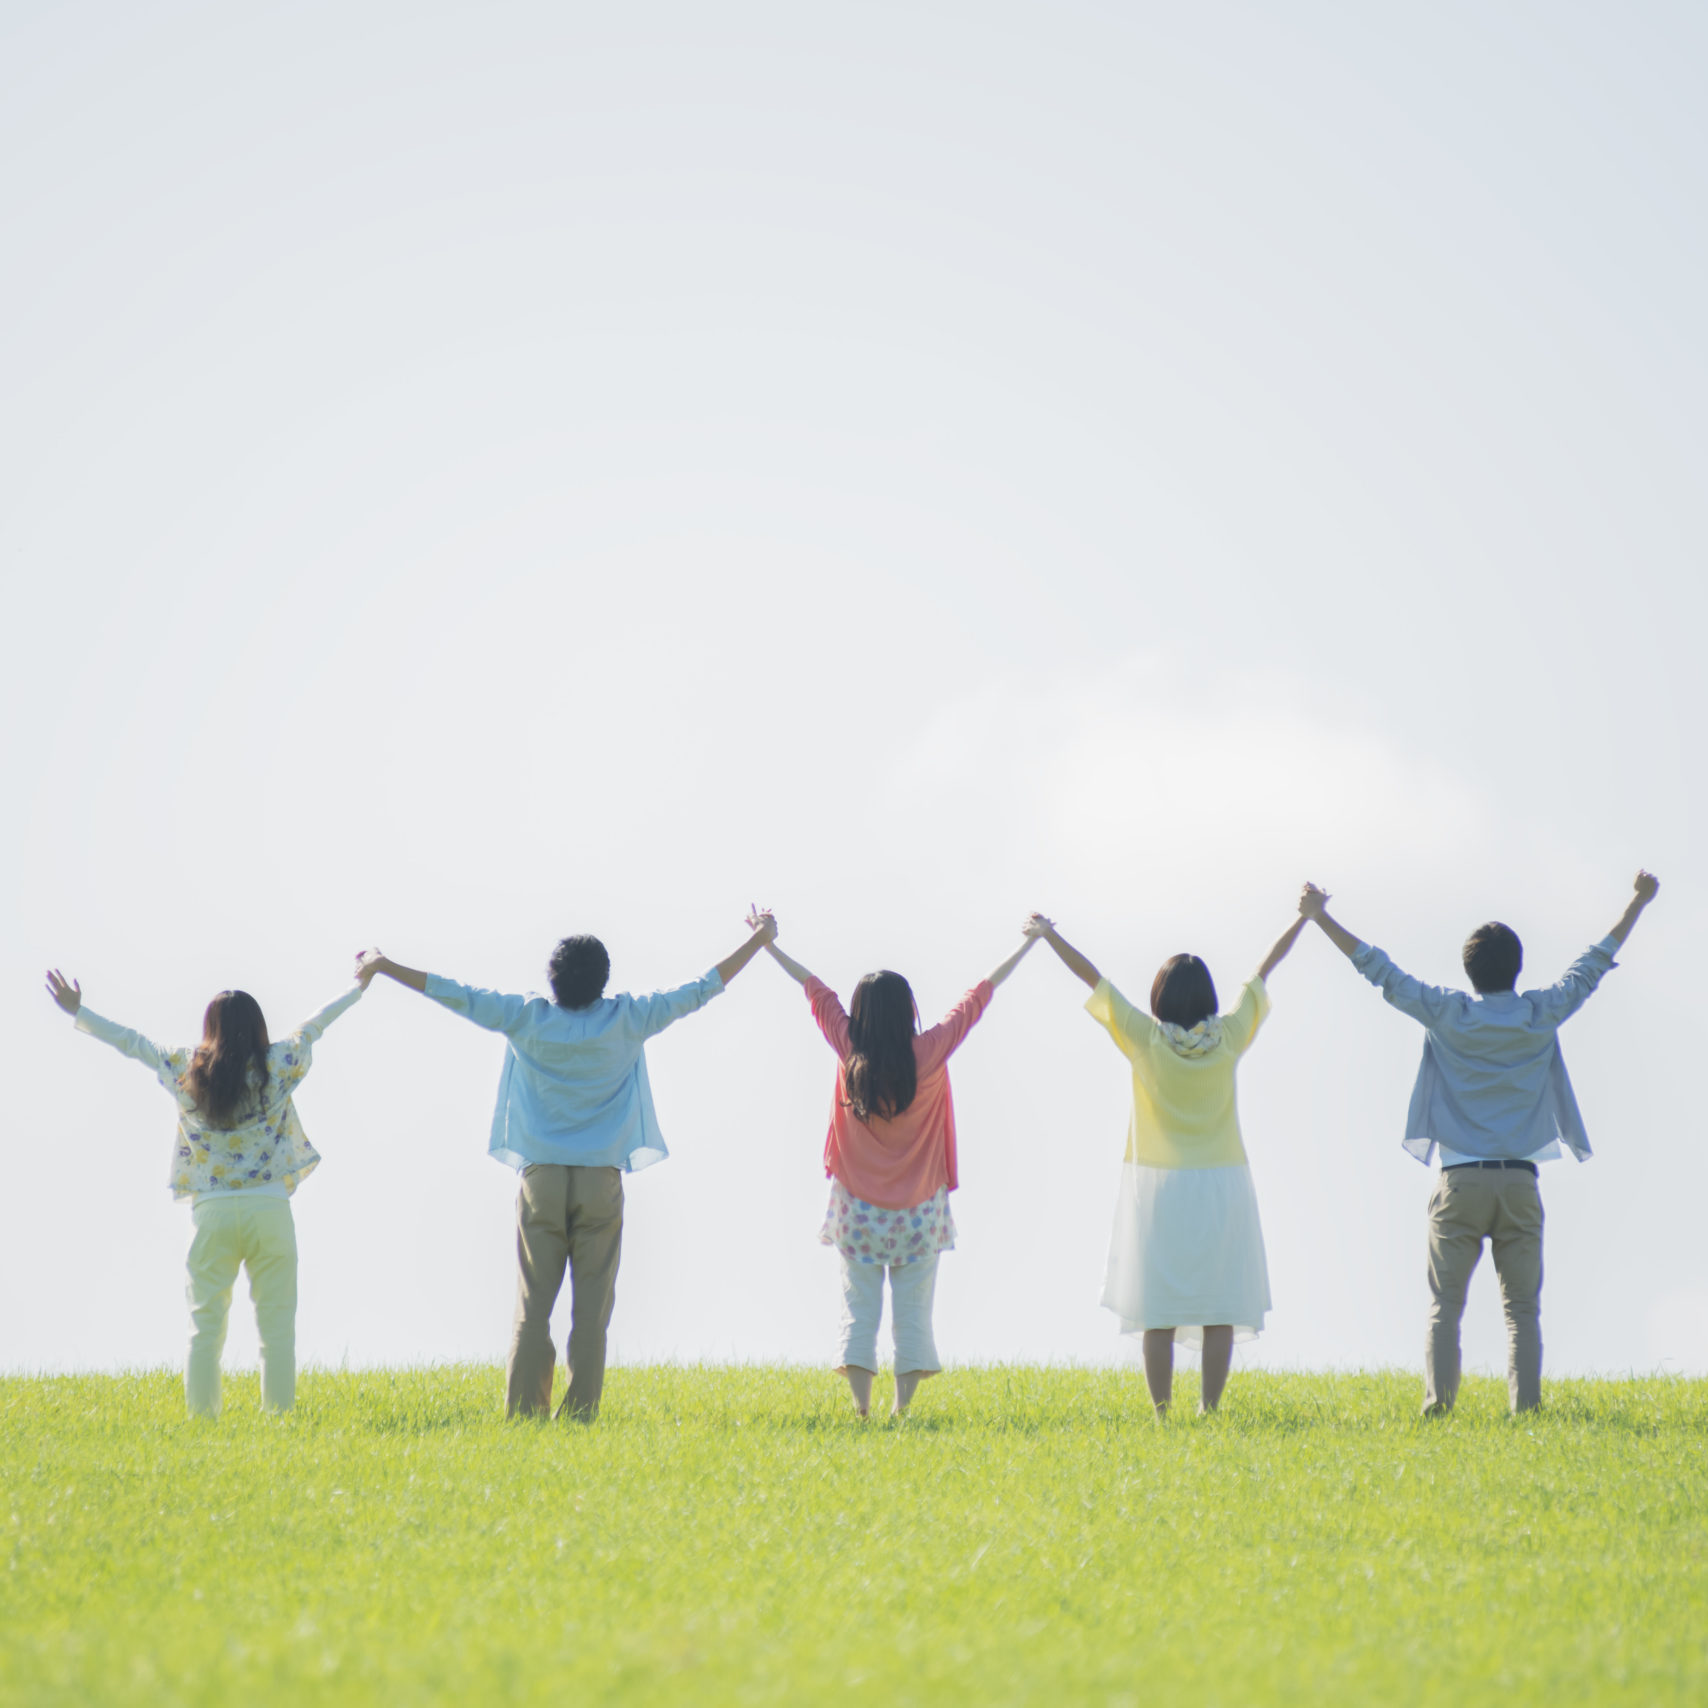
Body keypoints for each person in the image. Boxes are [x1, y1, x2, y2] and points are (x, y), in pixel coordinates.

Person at [355, 914, 776, 1420]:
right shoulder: (629, 1019)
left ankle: (525, 1415)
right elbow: (704, 987)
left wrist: (384, 965)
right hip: (601, 1178)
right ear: (604, 979)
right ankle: (579, 1418)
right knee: (591, 1312)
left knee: (533, 1309)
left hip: (541, 1179)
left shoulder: (526, 1018)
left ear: (552, 977)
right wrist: (758, 939)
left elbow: (454, 993)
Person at [1299, 870, 1660, 1415]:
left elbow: (1379, 970)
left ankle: (1438, 1410)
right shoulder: (1541, 1012)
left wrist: (1320, 916)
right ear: (1517, 967)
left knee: (1446, 1305)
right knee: (1522, 1310)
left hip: (1460, 1181)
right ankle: (1526, 1414)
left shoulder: (1448, 1012)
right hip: (1520, 1181)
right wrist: (1638, 900)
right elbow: (1593, 964)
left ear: (1469, 970)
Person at [44, 963, 373, 1416]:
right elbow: (314, 1026)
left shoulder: (185, 1067)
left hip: (212, 1213)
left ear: (209, 1028)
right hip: (269, 1208)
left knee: (204, 1328)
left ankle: (203, 1423)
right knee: (276, 1328)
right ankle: (279, 1422)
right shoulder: (276, 1065)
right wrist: (358, 988)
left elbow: (132, 1043)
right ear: (258, 1026)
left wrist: (79, 1011)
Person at [753, 910, 1042, 1418]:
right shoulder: (929, 1051)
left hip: (856, 1209)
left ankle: (862, 1412)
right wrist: (1030, 943)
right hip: (920, 1210)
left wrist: (766, 943)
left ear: (861, 1011)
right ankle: (901, 1412)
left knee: (858, 1311)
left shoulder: (848, 1047)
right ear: (907, 1008)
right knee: (913, 1314)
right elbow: (979, 995)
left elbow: (812, 988)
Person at [1028, 908, 1308, 1417]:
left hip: (1159, 1190)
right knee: (1219, 1304)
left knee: (1157, 1311)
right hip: (1222, 1184)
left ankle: (1161, 1414)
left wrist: (1050, 935)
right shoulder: (1227, 1038)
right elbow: (1264, 970)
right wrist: (1304, 918)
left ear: (1159, 999)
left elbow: (1094, 979)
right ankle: (1210, 1410)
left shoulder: (1146, 1039)